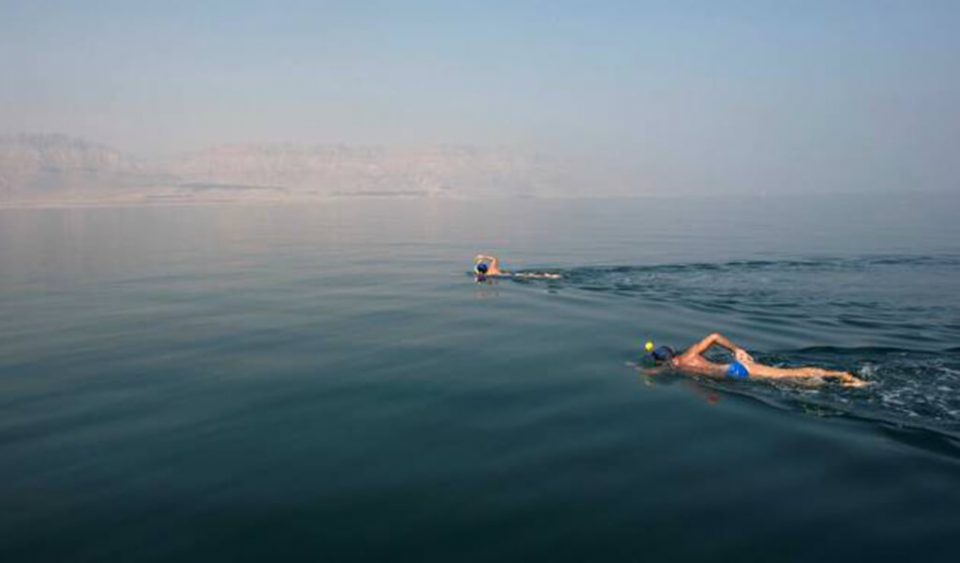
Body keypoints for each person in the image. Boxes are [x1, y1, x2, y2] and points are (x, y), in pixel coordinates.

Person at [646, 332, 867, 387]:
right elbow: (713, 336)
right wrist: (736, 349)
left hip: (736, 372)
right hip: (737, 367)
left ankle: (842, 375)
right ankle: (835, 380)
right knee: (792, 379)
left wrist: (635, 367)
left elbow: (650, 373)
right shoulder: (691, 353)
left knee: (791, 376)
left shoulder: (674, 368)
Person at [473, 254, 561, 281]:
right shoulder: (493, 268)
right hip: (510, 274)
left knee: (530, 276)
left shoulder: (488, 275)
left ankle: (550, 277)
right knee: (531, 275)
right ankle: (550, 276)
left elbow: (481, 279)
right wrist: (483, 257)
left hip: (509, 276)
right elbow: (494, 259)